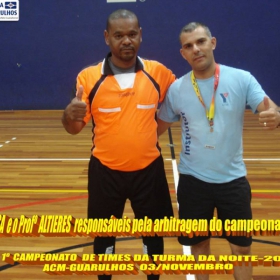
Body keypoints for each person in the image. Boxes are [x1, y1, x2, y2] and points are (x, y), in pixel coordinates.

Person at [157, 22, 280, 280]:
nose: (196, 49)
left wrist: (275, 116)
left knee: (241, 248)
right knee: (199, 246)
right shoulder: (177, 89)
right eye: (188, 46)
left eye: (201, 41)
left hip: (232, 181)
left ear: (213, 43)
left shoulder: (241, 79)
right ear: (183, 53)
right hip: (192, 183)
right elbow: (155, 128)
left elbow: (270, 109)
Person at [61, 9, 175, 280]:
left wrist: (148, 135)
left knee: (154, 236)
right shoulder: (88, 78)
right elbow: (75, 129)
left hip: (149, 171)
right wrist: (68, 116)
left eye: (132, 34)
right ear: (106, 38)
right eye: (119, 35)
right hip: (105, 172)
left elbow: (177, 103)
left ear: (141, 36)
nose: (127, 41)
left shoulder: (158, 72)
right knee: (103, 238)